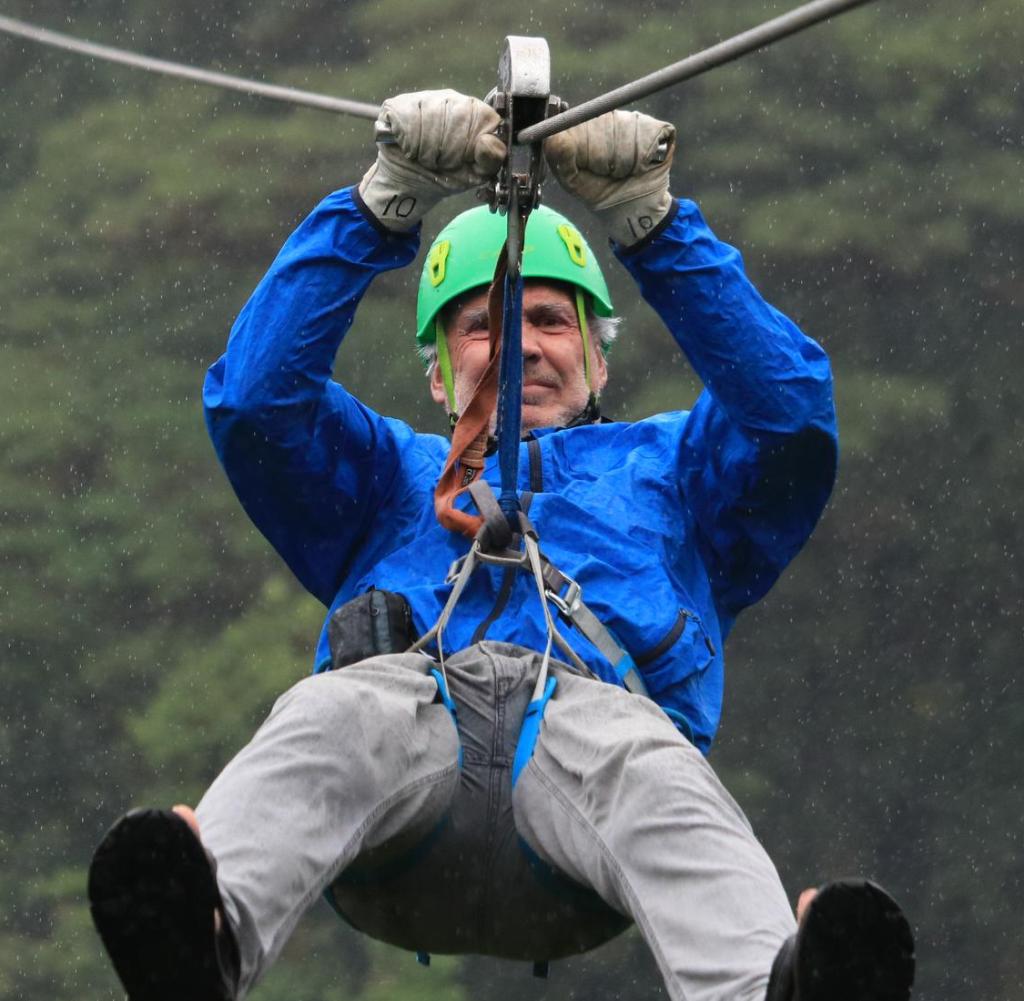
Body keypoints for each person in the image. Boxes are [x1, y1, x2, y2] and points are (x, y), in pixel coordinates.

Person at [87, 90, 915, 1001]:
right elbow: (254, 402)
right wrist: (381, 203)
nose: (519, 343)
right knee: (332, 715)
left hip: (583, 785)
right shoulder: (381, 475)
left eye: (552, 322)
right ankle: (201, 943)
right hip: (406, 781)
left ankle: (768, 992)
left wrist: (654, 225)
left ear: (600, 363)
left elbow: (791, 420)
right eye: (481, 325)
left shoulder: (674, 474)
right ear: (439, 373)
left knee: (654, 769)